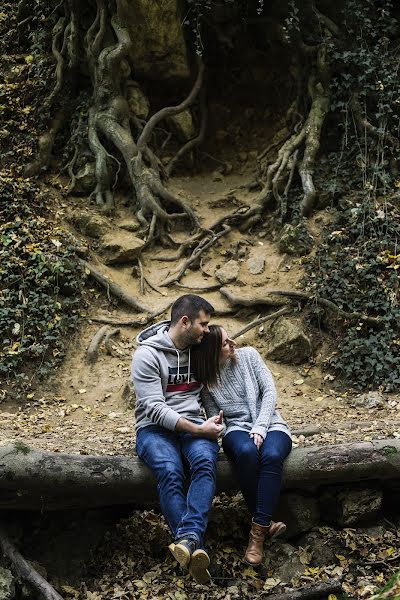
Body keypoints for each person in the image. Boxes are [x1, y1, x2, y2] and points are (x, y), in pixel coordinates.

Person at [131, 295, 224, 585]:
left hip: (194, 425)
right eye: (203, 324)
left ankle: (187, 541)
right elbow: (154, 409)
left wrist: (215, 422)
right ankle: (194, 544)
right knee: (170, 472)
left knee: (205, 464)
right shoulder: (147, 355)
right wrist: (198, 430)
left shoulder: (198, 348)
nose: (207, 331)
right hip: (154, 429)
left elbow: (209, 389)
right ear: (185, 322)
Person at [191, 325, 292, 567]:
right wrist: (216, 424)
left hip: (270, 421)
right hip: (235, 428)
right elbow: (216, 415)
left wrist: (260, 426)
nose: (233, 344)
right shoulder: (207, 381)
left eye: (231, 339)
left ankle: (257, 534)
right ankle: (267, 523)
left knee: (272, 454)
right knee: (246, 452)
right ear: (212, 352)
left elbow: (269, 392)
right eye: (226, 343)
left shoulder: (249, 356)